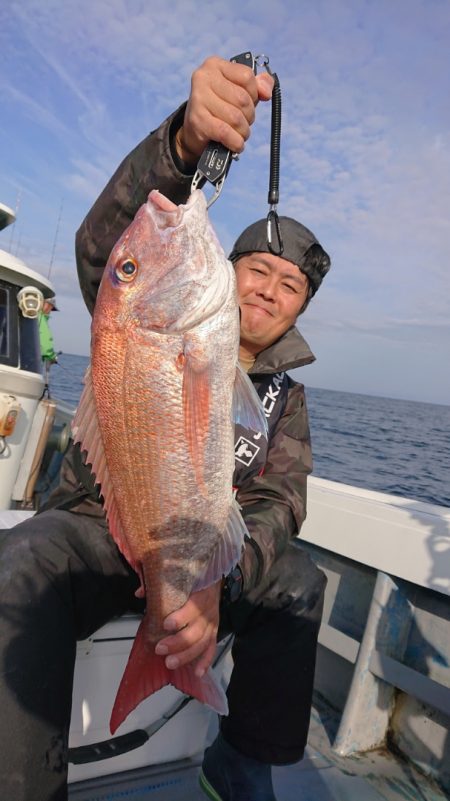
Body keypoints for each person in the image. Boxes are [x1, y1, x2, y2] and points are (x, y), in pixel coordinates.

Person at [0, 56, 330, 801]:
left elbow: (281, 504)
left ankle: (241, 762)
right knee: (17, 563)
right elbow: (105, 248)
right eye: (260, 270)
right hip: (102, 530)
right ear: (227, 267)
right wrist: (184, 144)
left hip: (205, 561)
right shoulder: (142, 311)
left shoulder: (288, 398)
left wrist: (214, 581)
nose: (271, 291)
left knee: (301, 583)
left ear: (298, 311)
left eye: (291, 287)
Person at [38, 295, 59, 365]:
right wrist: (52, 356)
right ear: (46, 304)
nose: (50, 310)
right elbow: (44, 341)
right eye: (51, 307)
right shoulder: (40, 317)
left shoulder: (34, 316)